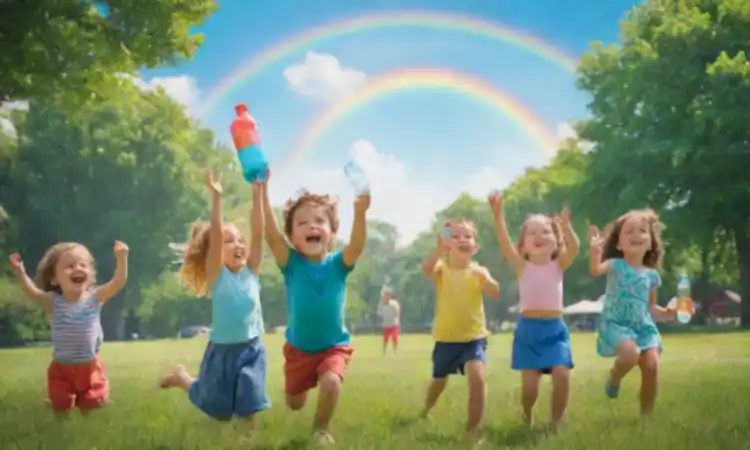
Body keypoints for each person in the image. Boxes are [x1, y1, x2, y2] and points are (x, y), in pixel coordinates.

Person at [263, 177, 369, 445]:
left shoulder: (339, 265)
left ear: (331, 233)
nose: (312, 226)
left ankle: (320, 429)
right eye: (302, 223)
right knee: (294, 404)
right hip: (299, 348)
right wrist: (262, 191)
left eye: (320, 221)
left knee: (332, 381)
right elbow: (271, 235)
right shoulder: (291, 263)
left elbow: (356, 245)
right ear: (292, 237)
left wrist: (360, 212)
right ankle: (307, 383)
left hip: (334, 345)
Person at [159, 170, 269, 426]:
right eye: (230, 242)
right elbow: (216, 233)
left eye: (240, 240)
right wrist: (217, 197)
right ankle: (183, 378)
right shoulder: (217, 276)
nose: (239, 245)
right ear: (214, 252)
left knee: (250, 393)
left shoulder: (251, 271)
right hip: (222, 351)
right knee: (217, 409)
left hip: (251, 347)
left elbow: (258, 233)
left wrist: (258, 195)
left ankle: (247, 436)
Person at [489, 192, 578, 429]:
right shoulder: (522, 265)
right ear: (523, 246)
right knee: (530, 388)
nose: (540, 236)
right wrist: (498, 215)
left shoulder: (558, 264)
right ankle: (527, 413)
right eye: (533, 233)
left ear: (557, 242)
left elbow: (575, 248)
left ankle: (556, 421)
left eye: (546, 232)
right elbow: (504, 242)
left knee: (562, 374)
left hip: (555, 329)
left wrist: (566, 227)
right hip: (529, 331)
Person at [9, 240, 129, 413]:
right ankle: (58, 401)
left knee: (93, 402)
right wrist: (20, 272)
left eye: (83, 265)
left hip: (89, 366)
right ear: (55, 279)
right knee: (61, 403)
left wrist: (122, 257)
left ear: (91, 274)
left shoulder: (95, 297)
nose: (78, 269)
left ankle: (95, 398)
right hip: (62, 367)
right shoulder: (53, 302)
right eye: (70, 266)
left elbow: (118, 282)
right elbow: (32, 293)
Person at [419, 219, 500, 445]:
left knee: (477, 376)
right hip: (446, 339)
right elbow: (426, 269)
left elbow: (495, 293)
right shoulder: (441, 269)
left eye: (468, 237)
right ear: (448, 245)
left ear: (475, 247)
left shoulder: (478, 271)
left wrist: (488, 281)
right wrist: (438, 249)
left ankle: (474, 429)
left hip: (474, 338)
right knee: (438, 381)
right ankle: (426, 409)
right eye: (456, 236)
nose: (462, 240)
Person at [589, 208, 677, 415]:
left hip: (643, 326)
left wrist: (669, 313)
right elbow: (595, 270)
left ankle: (646, 417)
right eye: (629, 231)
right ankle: (615, 376)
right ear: (619, 244)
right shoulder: (615, 265)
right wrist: (595, 251)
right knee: (630, 355)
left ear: (650, 243)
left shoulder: (652, 276)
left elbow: (652, 308)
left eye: (642, 231)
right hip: (617, 323)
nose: (636, 234)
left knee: (652, 366)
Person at [377, 286, 400, 356]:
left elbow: (397, 311)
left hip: (394, 324)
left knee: (394, 338)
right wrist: (383, 314)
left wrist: (395, 314)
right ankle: (384, 352)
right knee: (385, 339)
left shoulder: (394, 303)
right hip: (386, 324)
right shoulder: (381, 304)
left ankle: (395, 352)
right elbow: (379, 313)